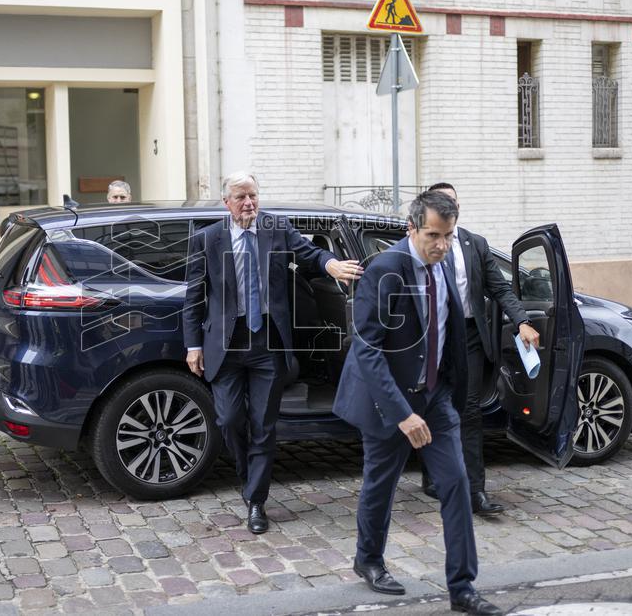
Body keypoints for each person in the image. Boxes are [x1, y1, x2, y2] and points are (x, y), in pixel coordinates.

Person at [332, 190, 502, 615]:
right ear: (411, 229)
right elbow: (367, 348)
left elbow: (451, 334)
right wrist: (402, 414)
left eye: (447, 235)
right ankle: (368, 559)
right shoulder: (384, 270)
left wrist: (454, 395)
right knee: (380, 485)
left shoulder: (442, 266)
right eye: (433, 236)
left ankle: (462, 589)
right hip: (386, 401)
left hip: (436, 398)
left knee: (457, 486)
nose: (442, 245)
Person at [183, 172, 362, 534]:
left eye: (253, 196)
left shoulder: (275, 228)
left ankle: (256, 501)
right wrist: (193, 345)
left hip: (268, 343)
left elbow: (310, 254)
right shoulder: (207, 240)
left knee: (264, 426)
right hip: (226, 345)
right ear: (226, 203)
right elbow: (193, 298)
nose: (248, 203)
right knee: (230, 420)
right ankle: (250, 480)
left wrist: (332, 265)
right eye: (240, 197)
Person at [423, 182, 539, 516]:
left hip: (470, 336)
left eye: (454, 202)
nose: (450, 207)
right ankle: (431, 476)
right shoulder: (423, 243)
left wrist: (522, 322)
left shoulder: (475, 244)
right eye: (443, 202)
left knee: (469, 410)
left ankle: (476, 491)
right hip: (434, 337)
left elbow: (500, 287)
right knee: (434, 405)